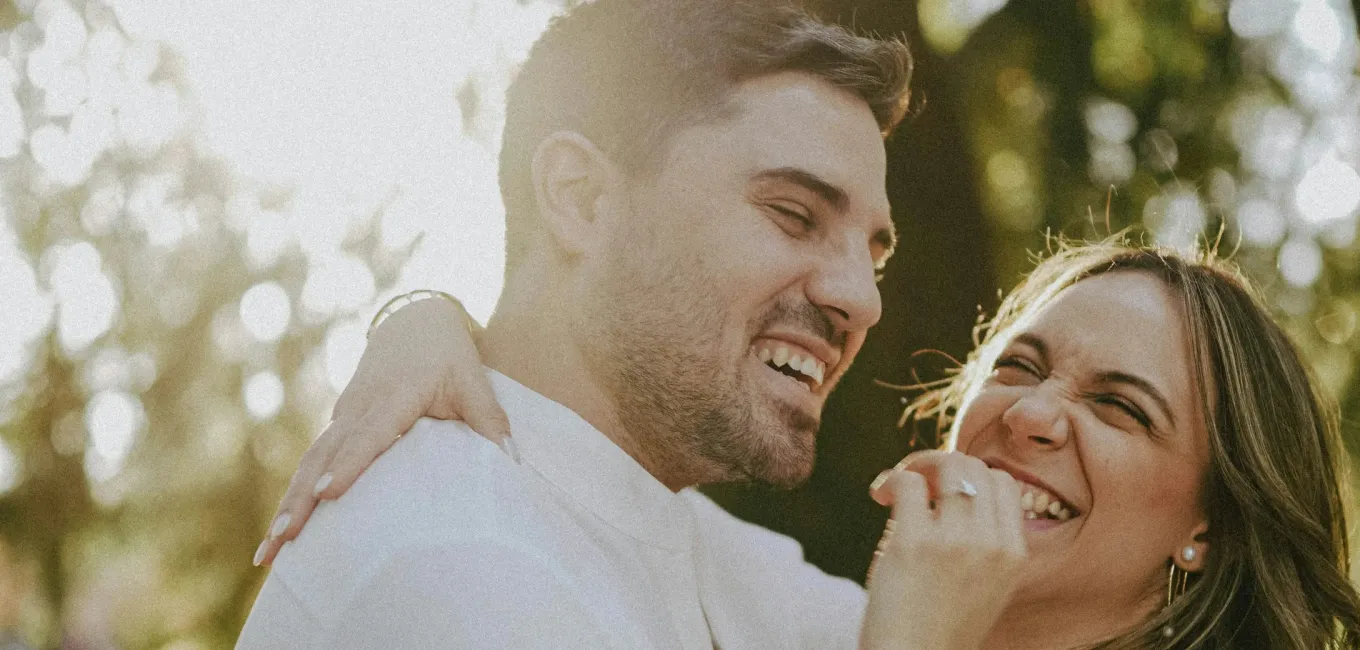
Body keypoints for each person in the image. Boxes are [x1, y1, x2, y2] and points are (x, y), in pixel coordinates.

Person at [237, 1, 1030, 648]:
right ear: (580, 198)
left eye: (874, 255)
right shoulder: (465, 567)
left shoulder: (693, 546)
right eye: (794, 215)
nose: (863, 299)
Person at [263, 239, 1360, 649]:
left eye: (1123, 407)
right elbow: (594, 465)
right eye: (1024, 366)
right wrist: (428, 318)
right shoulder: (810, 616)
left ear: (1208, 524)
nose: (1036, 415)